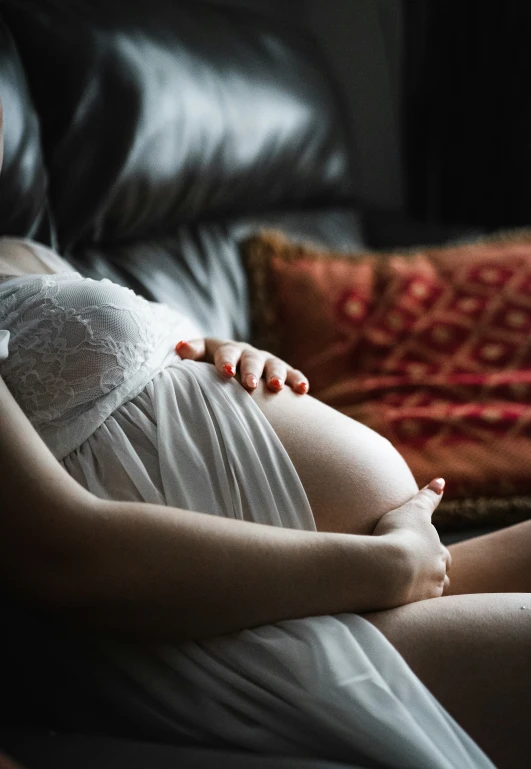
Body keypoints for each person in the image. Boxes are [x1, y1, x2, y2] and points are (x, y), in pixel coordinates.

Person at [0, 105, 530, 769]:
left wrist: (214, 349)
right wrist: (385, 565)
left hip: (353, 573)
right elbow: (61, 552)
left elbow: (127, 381)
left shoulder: (29, 246)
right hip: (237, 625)